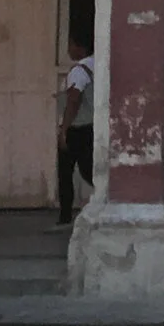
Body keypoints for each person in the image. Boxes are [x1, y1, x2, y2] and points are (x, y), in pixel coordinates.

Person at [58, 48, 95, 227]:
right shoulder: (98, 64)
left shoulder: (79, 71)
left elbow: (74, 99)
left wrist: (64, 129)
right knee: (88, 168)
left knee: (67, 171)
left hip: (76, 128)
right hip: (91, 126)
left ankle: (65, 216)